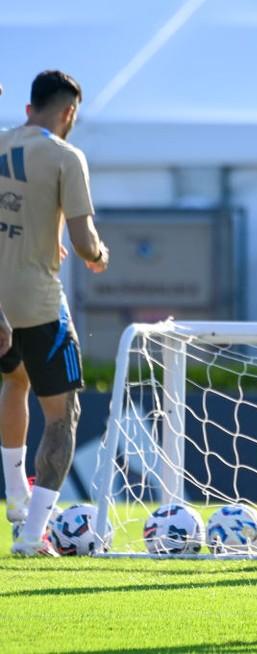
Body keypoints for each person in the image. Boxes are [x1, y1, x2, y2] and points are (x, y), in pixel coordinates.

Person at [1, 70, 109, 556]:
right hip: (39, 305)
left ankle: (16, 497)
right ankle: (31, 535)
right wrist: (98, 254)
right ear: (68, 112)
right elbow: (85, 242)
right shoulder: (67, 157)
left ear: (29, 109)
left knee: (15, 383)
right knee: (64, 416)